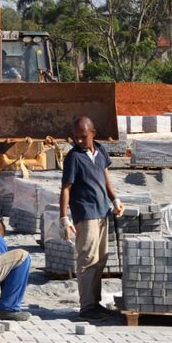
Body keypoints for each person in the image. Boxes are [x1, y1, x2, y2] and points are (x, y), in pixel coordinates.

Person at [59, 116, 125, 321]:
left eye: (83, 137)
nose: (78, 141)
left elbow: (105, 180)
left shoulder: (101, 151)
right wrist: (64, 218)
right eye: (75, 137)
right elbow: (65, 189)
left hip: (103, 211)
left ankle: (95, 303)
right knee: (87, 260)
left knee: (100, 259)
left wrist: (115, 200)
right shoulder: (73, 157)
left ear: (93, 134)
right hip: (85, 214)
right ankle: (86, 307)